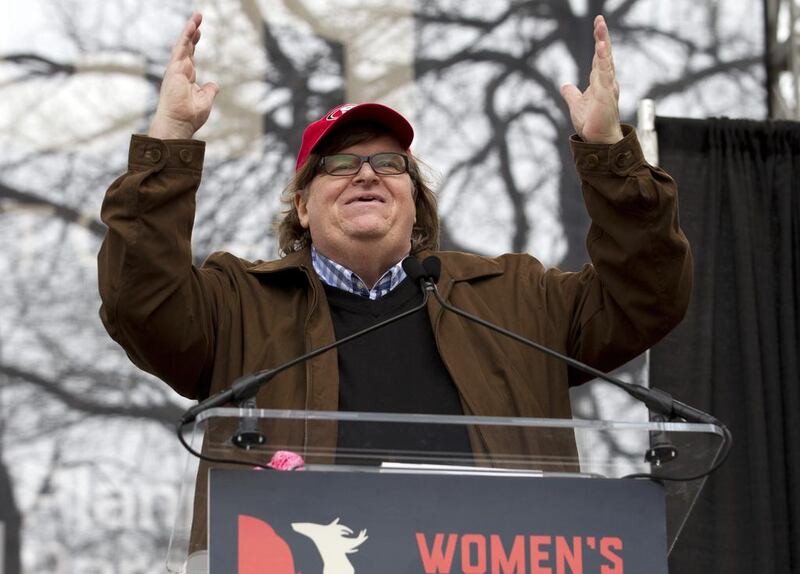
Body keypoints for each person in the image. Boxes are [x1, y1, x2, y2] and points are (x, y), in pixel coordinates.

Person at [98, 10, 691, 546]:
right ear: (302, 207)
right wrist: (169, 140)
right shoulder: (238, 304)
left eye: (389, 164)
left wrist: (608, 153)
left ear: (415, 202)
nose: (366, 175)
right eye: (338, 164)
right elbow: (141, 304)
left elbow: (645, 296)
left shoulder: (517, 296)